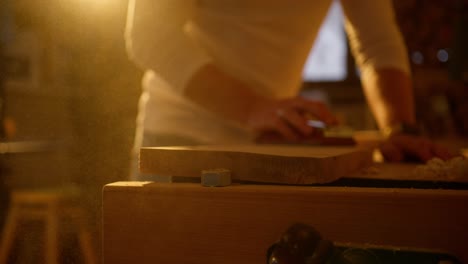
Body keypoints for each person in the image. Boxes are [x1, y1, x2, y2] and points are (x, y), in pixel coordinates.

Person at [125, 0, 453, 179]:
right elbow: (149, 34)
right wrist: (252, 108)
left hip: (268, 148)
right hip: (179, 142)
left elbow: (377, 43)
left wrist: (399, 128)